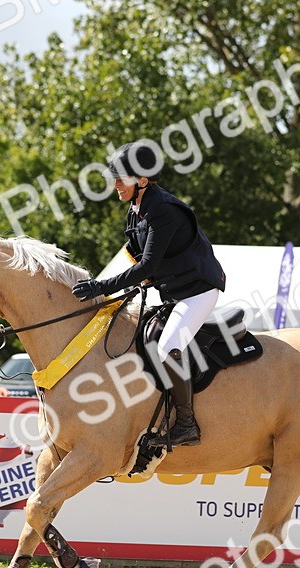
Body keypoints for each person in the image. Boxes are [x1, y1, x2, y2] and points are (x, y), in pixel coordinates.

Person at [71, 141, 227, 447]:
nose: (115, 185)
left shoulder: (162, 210)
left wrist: (101, 288)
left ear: (142, 181)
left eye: (121, 179)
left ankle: (187, 424)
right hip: (172, 291)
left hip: (197, 291)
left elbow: (147, 266)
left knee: (168, 347)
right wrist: (100, 289)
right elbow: (132, 256)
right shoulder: (136, 209)